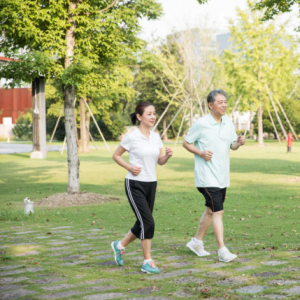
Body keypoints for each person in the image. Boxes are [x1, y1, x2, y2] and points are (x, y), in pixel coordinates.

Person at [182, 89, 245, 262]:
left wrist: (238, 143)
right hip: (206, 176)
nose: (224, 104)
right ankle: (222, 250)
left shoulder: (228, 122)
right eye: (220, 102)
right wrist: (201, 153)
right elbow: (186, 143)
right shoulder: (201, 123)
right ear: (211, 105)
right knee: (218, 211)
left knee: (211, 210)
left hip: (222, 175)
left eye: (225, 101)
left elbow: (231, 145)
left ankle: (196, 242)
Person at [111, 102, 173, 274]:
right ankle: (147, 261)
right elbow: (116, 155)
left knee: (142, 223)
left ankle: (120, 245)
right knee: (148, 222)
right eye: (149, 114)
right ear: (139, 117)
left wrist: (166, 156)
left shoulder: (156, 137)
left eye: (154, 113)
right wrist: (129, 167)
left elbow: (159, 161)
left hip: (151, 183)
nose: (153, 116)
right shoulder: (132, 137)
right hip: (134, 184)